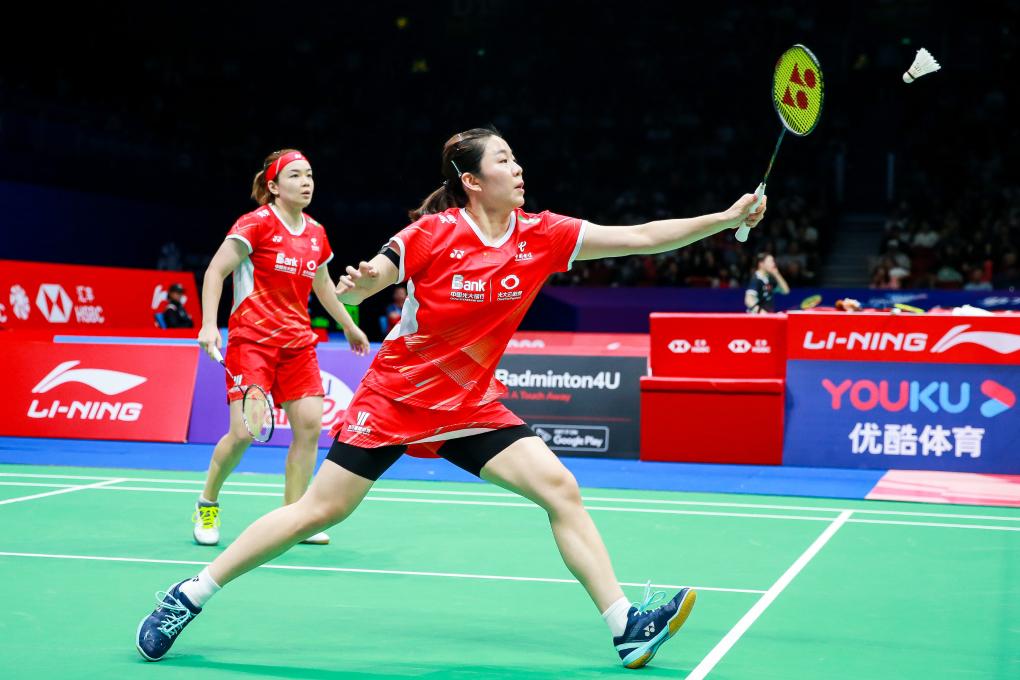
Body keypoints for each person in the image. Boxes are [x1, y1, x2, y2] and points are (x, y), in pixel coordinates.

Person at [137, 128, 767, 669]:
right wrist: (363, 283)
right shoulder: (433, 234)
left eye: (515, 159)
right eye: (503, 160)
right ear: (471, 180)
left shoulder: (543, 235)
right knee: (319, 511)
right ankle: (190, 595)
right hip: (398, 397)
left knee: (560, 489)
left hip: (468, 404)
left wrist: (724, 218)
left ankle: (625, 625)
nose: (518, 169)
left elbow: (642, 237)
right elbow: (377, 275)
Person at [189, 149, 370, 548]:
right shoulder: (255, 224)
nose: (306, 182)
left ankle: (295, 518)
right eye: (295, 176)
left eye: (309, 175)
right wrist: (208, 324)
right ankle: (207, 502)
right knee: (242, 433)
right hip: (251, 341)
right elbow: (216, 271)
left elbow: (323, 285)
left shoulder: (316, 233)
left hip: (297, 344)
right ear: (273, 186)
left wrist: (349, 325)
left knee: (309, 426)